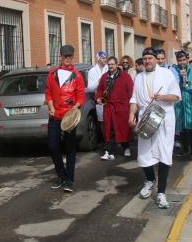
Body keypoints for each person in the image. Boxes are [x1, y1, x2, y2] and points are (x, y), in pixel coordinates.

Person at [129, 47, 181, 208]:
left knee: (164, 154)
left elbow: (176, 96)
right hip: (145, 118)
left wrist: (162, 97)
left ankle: (161, 193)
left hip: (164, 118)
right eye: (145, 59)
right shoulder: (138, 78)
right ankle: (150, 180)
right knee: (144, 154)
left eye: (150, 58)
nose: (147, 61)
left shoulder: (166, 74)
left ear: (155, 59)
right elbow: (134, 99)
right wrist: (131, 115)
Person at [45, 45, 86, 193]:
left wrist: (75, 107)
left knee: (70, 149)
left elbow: (81, 96)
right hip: (55, 115)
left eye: (70, 56)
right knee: (52, 146)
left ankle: (69, 180)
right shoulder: (52, 74)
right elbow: (48, 92)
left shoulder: (77, 75)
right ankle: (61, 175)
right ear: (61, 56)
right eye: (65, 56)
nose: (68, 58)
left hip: (69, 118)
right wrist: (50, 106)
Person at [96, 57, 134, 159]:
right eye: (109, 64)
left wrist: (132, 106)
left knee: (123, 129)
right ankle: (109, 151)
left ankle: (126, 147)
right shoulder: (104, 77)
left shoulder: (125, 76)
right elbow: (99, 89)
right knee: (109, 129)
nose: (110, 66)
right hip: (109, 107)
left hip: (122, 108)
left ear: (117, 64)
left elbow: (131, 92)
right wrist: (99, 98)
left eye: (112, 64)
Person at [170, 51, 192, 159]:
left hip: (191, 101)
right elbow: (171, 87)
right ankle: (184, 149)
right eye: (180, 60)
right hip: (179, 102)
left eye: (184, 60)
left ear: (187, 59)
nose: (182, 62)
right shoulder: (174, 72)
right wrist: (180, 78)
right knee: (182, 128)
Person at [87, 51, 108, 129]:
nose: (105, 60)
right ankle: (105, 138)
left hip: (109, 98)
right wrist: (99, 81)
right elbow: (90, 88)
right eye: (103, 58)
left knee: (110, 119)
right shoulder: (92, 71)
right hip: (99, 99)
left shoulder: (108, 69)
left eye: (106, 58)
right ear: (98, 59)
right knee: (102, 121)